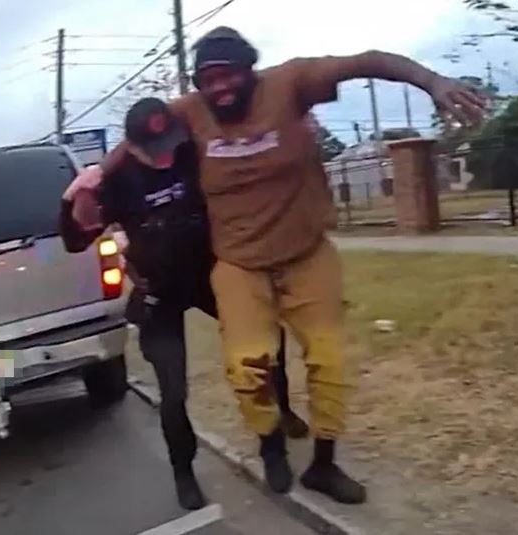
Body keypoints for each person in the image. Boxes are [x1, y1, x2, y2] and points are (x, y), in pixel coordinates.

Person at [92, 29, 486, 505]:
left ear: (250, 69)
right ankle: (271, 445)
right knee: (246, 367)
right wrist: (95, 178)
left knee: (328, 360)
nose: (218, 88)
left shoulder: (291, 82)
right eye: (207, 79)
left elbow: (366, 60)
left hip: (306, 252)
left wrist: (431, 81)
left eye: (228, 75)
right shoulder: (189, 110)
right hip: (240, 263)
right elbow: (133, 142)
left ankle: (323, 463)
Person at [58, 97, 307, 511]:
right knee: (174, 392)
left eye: (168, 145)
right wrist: (71, 202)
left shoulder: (191, 154)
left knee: (262, 348)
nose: (164, 158)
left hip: (210, 276)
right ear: (132, 147)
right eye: (153, 151)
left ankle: (275, 440)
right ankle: (183, 473)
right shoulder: (118, 181)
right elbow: (76, 239)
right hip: (158, 292)